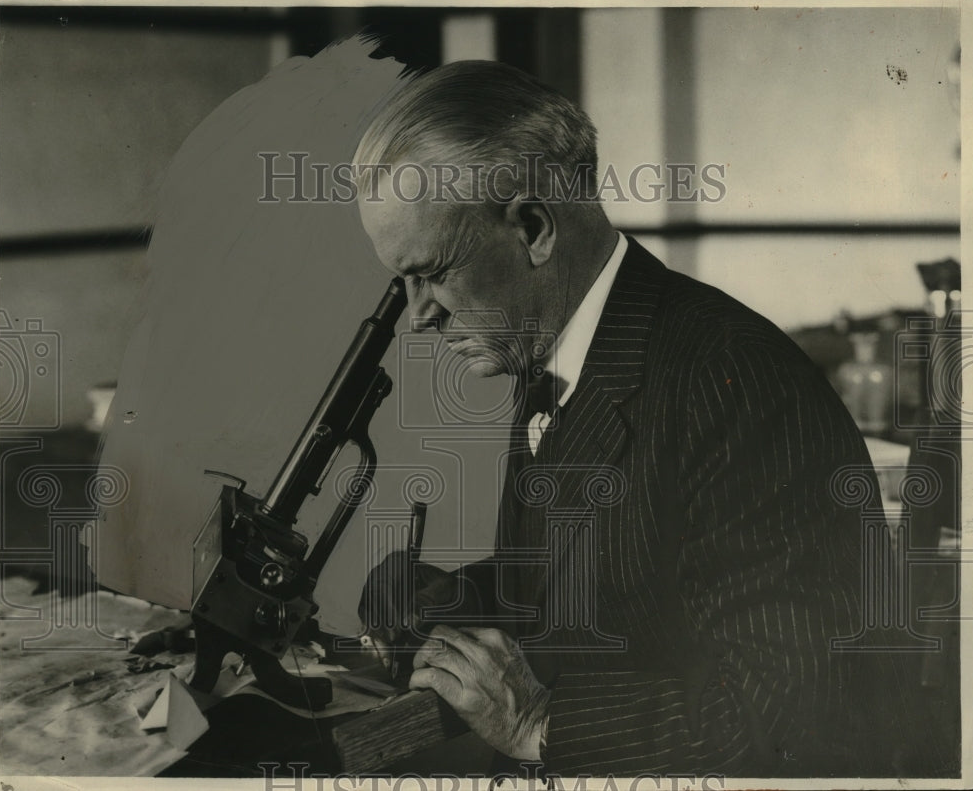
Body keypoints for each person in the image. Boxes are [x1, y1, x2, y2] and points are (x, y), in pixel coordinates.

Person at [353, 60, 912, 777]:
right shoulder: (557, 347)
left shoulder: (730, 379)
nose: (419, 316)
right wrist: (448, 598)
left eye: (430, 273)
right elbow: (631, 579)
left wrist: (537, 721)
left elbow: (788, 714)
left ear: (532, 227)